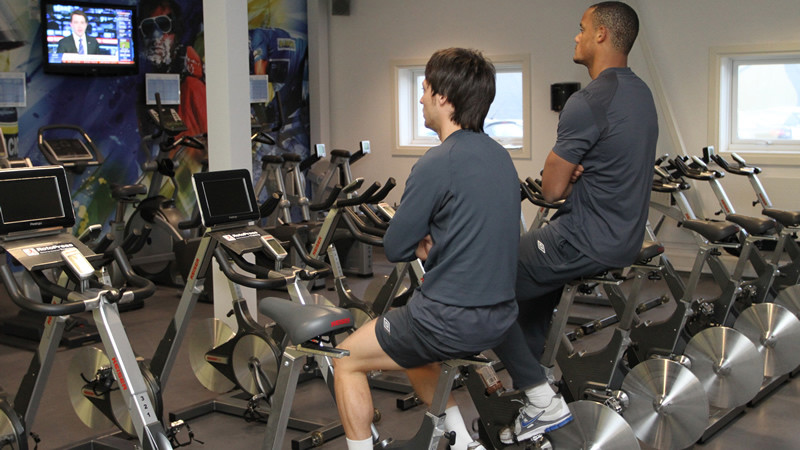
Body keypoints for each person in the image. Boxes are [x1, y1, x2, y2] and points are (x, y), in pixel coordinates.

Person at [333, 48, 521, 450]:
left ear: (443, 97)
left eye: (425, 90)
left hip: (447, 319)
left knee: (345, 358)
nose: (420, 99)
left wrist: (422, 242)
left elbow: (396, 245)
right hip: (500, 316)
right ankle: (464, 443)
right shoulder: (500, 156)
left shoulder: (438, 162)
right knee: (411, 352)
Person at [493, 1, 658, 444]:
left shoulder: (588, 101)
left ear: (601, 34)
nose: (576, 36)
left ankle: (539, 398)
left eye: (582, 28)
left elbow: (550, 190)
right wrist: (574, 170)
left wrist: (565, 172)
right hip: (622, 238)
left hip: (581, 238)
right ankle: (534, 390)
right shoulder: (641, 94)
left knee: (484, 284)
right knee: (527, 296)